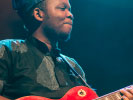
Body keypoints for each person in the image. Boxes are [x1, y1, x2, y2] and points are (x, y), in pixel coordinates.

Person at [0, 0, 132, 100]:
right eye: (63, 8)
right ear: (39, 14)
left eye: (70, 10)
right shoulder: (8, 49)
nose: (71, 15)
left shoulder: (73, 66)